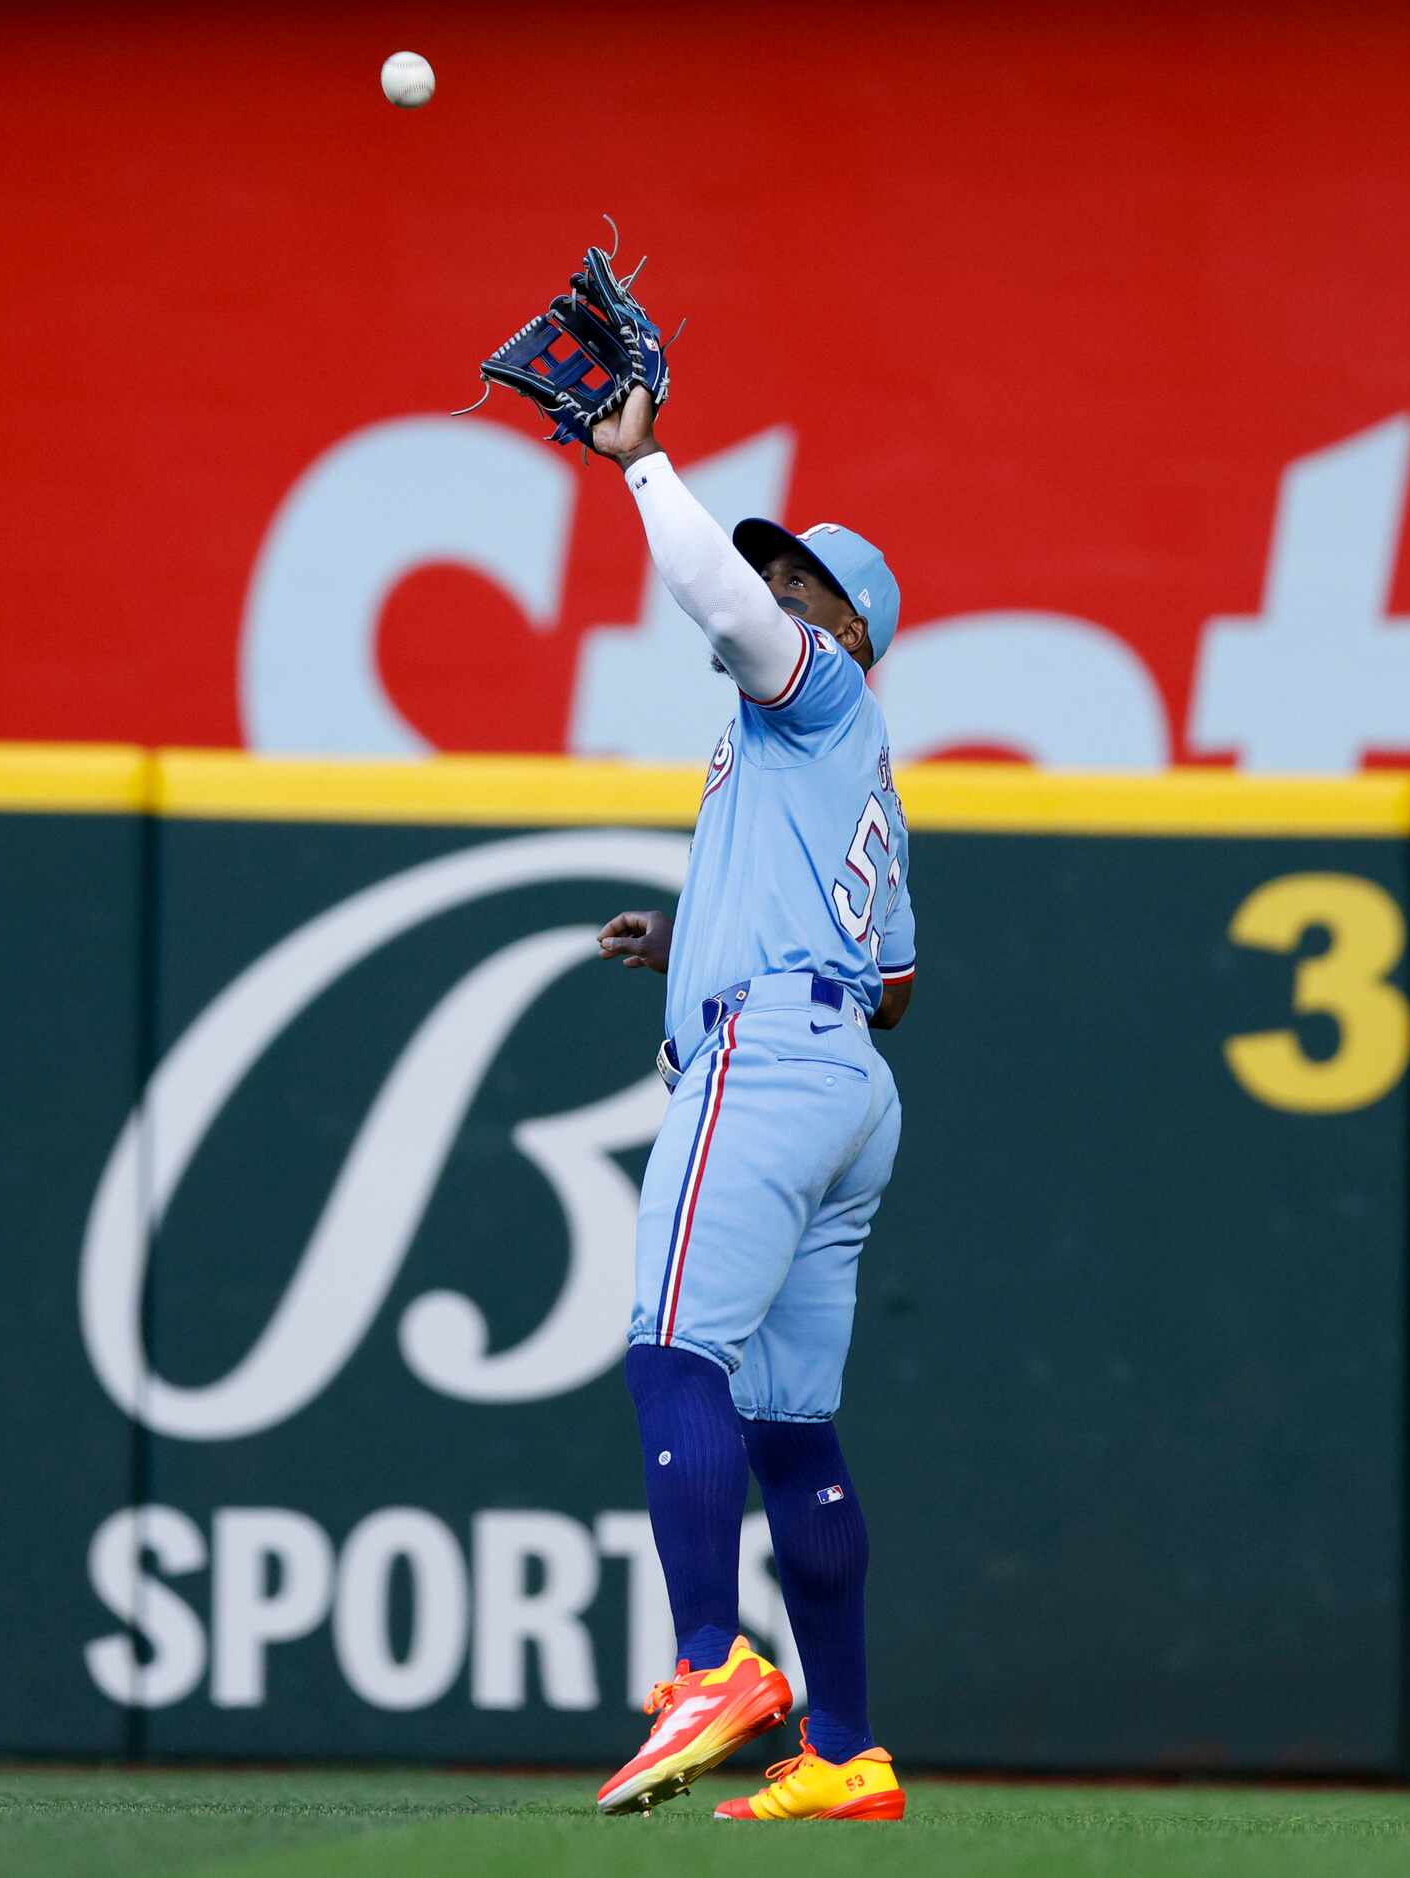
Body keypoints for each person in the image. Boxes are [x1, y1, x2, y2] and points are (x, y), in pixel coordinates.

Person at [583, 382, 916, 1823]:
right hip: (843, 1074)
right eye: (780, 567)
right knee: (791, 1428)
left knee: (671, 1346)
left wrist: (644, 462)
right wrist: (691, 941)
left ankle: (713, 1661)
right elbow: (894, 980)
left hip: (767, 1065)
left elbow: (718, 603)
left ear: (848, 633)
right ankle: (844, 1747)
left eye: (808, 586)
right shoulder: (839, 770)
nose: (779, 589)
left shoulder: (821, 693)